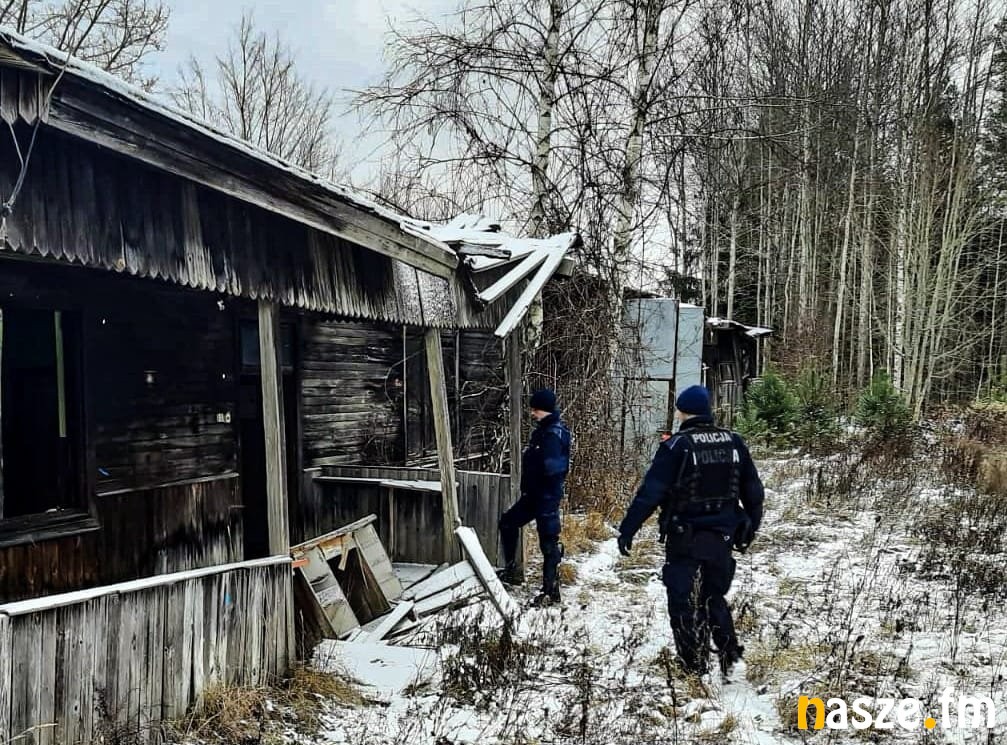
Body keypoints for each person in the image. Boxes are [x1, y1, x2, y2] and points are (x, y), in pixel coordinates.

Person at [617, 385, 764, 678]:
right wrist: (751, 526)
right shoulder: (734, 442)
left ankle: (692, 666)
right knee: (713, 596)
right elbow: (753, 490)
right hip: (722, 535)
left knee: (682, 600)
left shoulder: (677, 447)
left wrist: (628, 529)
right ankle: (731, 657)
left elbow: (651, 493)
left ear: (681, 412)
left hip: (685, 536)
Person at [497, 388, 572, 607]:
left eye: (535, 410)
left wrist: (540, 469)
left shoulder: (553, 434)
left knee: (548, 543)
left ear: (544, 409)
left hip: (546, 496)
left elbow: (554, 468)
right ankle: (511, 570)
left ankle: (550, 591)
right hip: (533, 495)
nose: (532, 413)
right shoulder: (543, 431)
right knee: (508, 522)